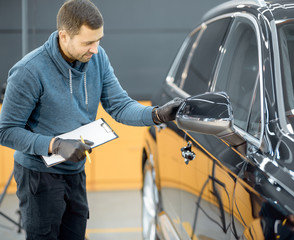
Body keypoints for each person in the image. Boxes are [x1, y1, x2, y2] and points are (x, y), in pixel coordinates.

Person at [0, 0, 182, 239]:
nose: (95, 49)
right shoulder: (29, 71)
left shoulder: (96, 58)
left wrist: (156, 114)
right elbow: (6, 131)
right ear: (64, 36)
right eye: (88, 42)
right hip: (39, 177)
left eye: (99, 40)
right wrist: (54, 145)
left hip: (76, 170)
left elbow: (119, 105)